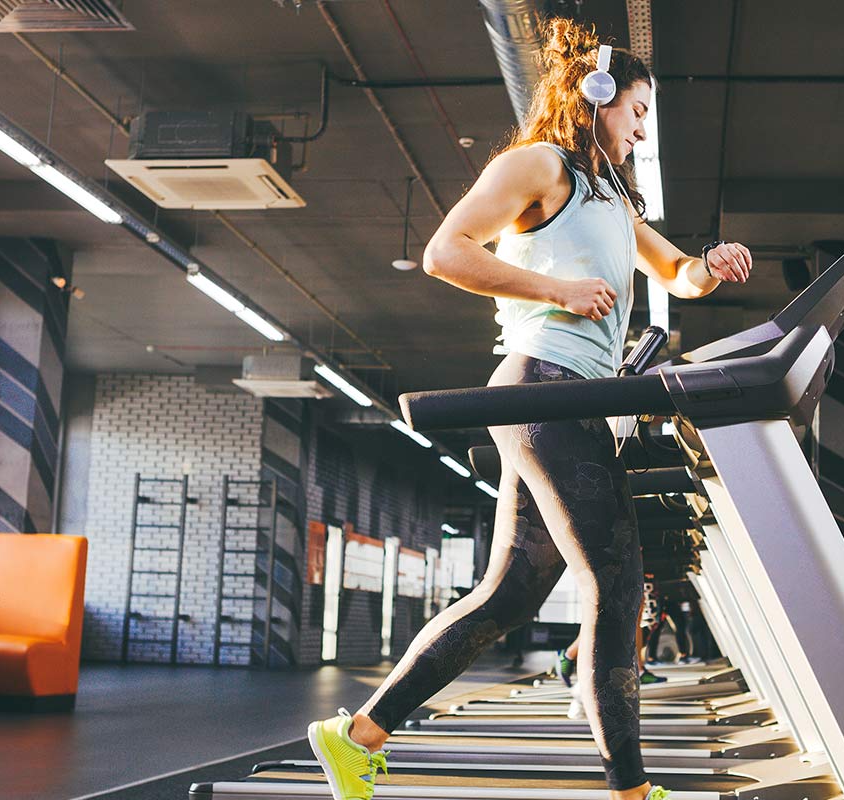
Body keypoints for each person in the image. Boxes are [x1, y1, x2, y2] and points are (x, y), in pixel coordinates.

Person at [305, 17, 753, 800]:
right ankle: (631, 791)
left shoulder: (611, 199)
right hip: (545, 388)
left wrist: (708, 265)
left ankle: (354, 737)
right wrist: (557, 290)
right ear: (596, 96)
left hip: (570, 400)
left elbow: (676, 273)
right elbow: (448, 251)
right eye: (636, 111)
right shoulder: (539, 165)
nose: (642, 128)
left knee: (509, 595)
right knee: (615, 583)